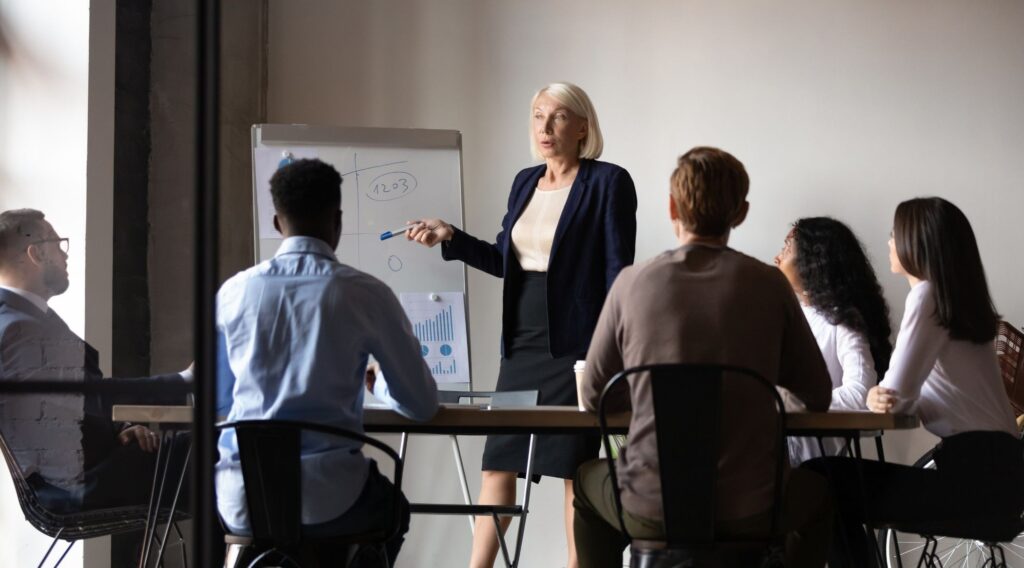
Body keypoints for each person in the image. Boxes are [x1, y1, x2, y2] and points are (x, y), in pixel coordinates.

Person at [406, 82, 637, 567]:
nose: (544, 128)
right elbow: (504, 260)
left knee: (576, 473)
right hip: (521, 343)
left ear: (582, 127)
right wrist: (452, 236)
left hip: (579, 348)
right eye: (537, 116)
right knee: (499, 462)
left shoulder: (609, 182)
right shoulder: (524, 181)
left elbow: (620, 273)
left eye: (556, 117)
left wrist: (610, 349)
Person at [575, 147, 834, 568]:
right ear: (742, 212)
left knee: (586, 485)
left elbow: (592, 396)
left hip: (650, 506)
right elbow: (817, 394)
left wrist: (646, 402)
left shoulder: (630, 283)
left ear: (672, 206)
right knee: (820, 496)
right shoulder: (770, 285)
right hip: (753, 507)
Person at [215, 158, 438, 566]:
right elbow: (421, 405)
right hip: (332, 499)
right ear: (336, 221)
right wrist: (379, 385)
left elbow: (216, 402)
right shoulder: (367, 294)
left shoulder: (233, 293)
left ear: (277, 223)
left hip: (244, 499)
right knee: (392, 510)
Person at [803, 197, 1024, 567]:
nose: (889, 241)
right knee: (831, 479)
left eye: (894, 233)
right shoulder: (958, 301)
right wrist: (893, 395)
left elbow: (897, 398)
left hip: (974, 480)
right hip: (1000, 476)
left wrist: (880, 393)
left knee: (820, 477)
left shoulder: (927, 296)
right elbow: (924, 399)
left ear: (915, 242)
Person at [0, 208, 188, 511]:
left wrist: (120, 428)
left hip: (88, 468)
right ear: (35, 253)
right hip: (78, 484)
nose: (65, 255)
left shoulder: (22, 318)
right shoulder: (17, 327)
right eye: (58, 244)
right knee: (228, 448)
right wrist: (183, 382)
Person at [774, 217, 892, 463]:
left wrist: (791, 404)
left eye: (787, 248)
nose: (778, 257)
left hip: (807, 460)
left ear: (812, 261)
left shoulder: (841, 320)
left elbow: (860, 392)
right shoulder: (785, 313)